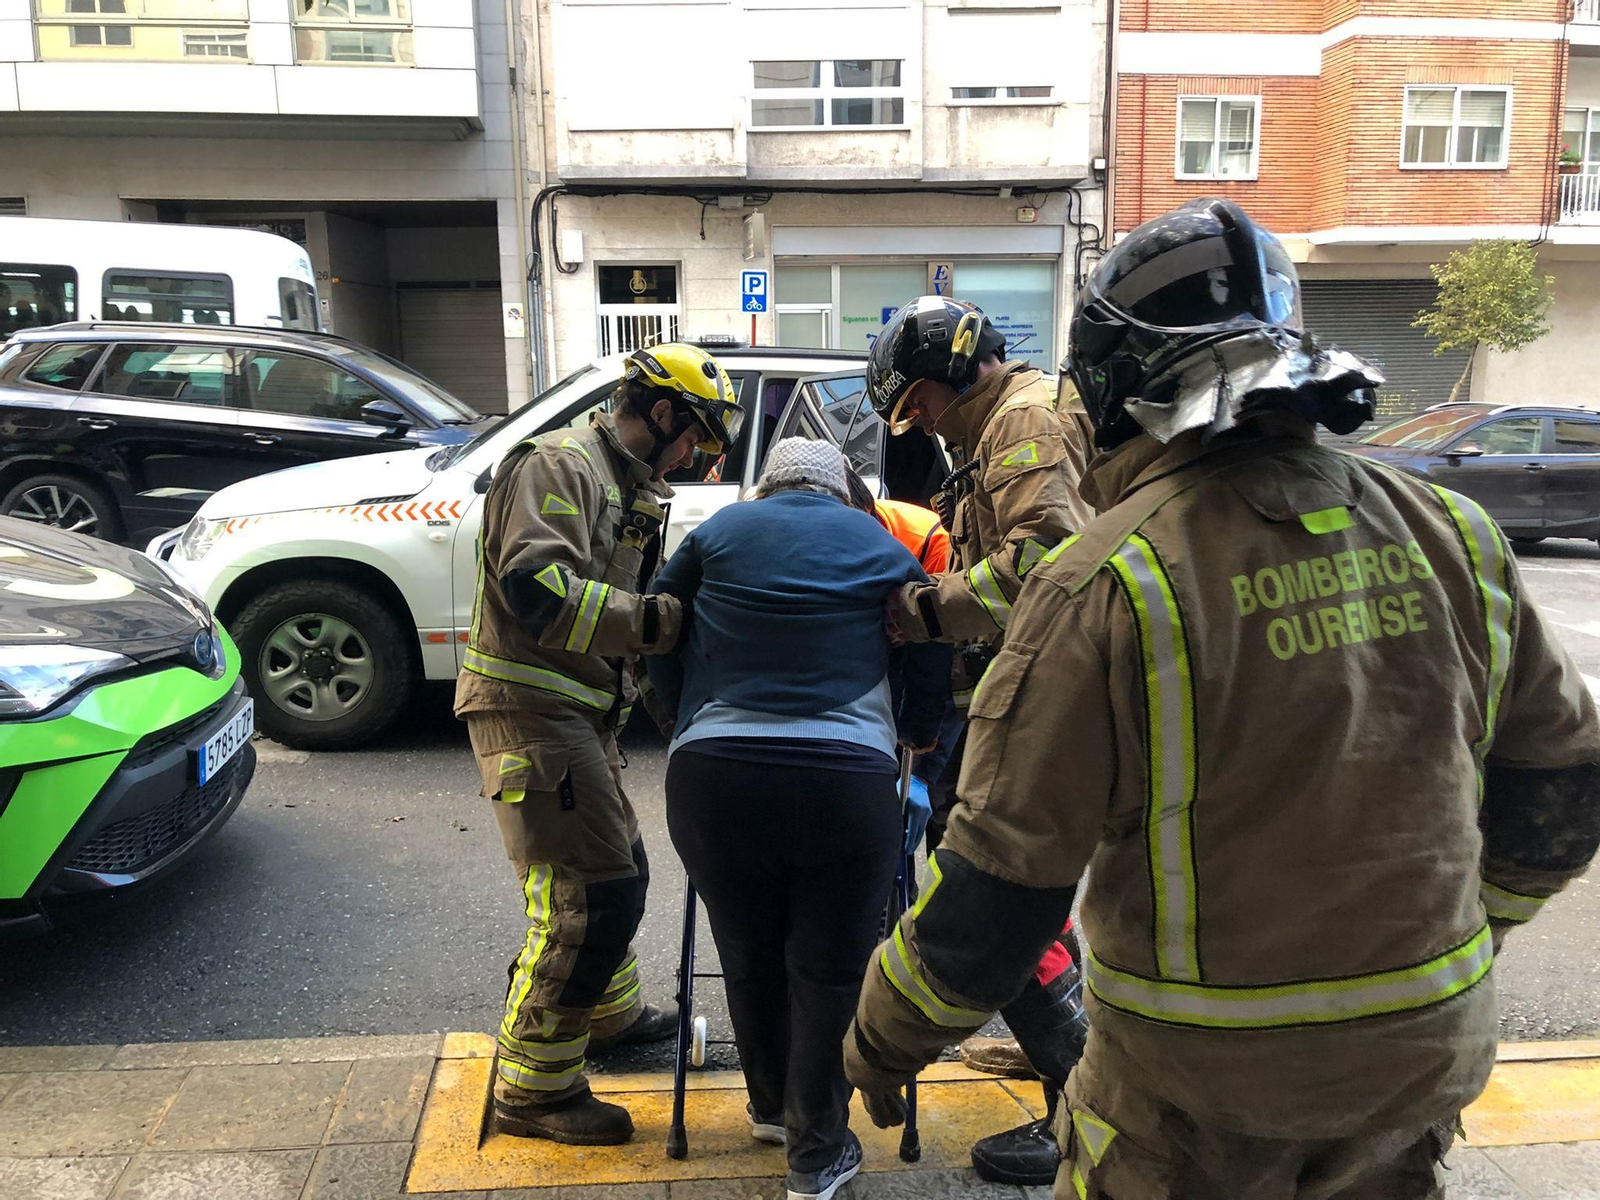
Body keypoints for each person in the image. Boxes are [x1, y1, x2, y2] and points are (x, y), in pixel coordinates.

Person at [844, 197, 1600, 1198]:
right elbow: (1562, 789)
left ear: (1112, 388)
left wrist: (878, 1043)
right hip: (1413, 1071)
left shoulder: (1107, 582)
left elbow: (995, 900)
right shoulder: (1451, 534)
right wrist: (1468, 936)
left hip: (1196, 1098)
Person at [455, 343, 744, 1147]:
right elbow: (534, 590)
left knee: (624, 870)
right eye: (698, 440)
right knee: (590, 896)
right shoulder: (563, 466)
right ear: (661, 414)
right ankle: (534, 1090)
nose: (698, 459)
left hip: (577, 709)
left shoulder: (626, 485)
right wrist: (662, 626)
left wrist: (669, 703)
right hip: (531, 707)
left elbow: (616, 617)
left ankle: (607, 1017)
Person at [649, 439, 951, 1200]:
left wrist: (675, 716)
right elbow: (929, 643)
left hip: (714, 780)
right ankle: (817, 1153)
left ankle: (769, 1104)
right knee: (828, 967)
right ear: (840, 491)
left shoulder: (714, 535)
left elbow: (658, 629)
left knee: (747, 949)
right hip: (842, 783)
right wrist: (917, 729)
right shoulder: (878, 543)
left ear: (769, 487)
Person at [863, 296, 1097, 1183]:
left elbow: (1045, 558)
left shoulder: (1023, 419)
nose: (917, 420)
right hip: (1028, 686)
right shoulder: (1007, 424)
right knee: (1029, 889)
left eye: (919, 400)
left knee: (996, 883)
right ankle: (1060, 1050)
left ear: (961, 370)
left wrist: (922, 613)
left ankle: (1075, 1099)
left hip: (1050, 693)